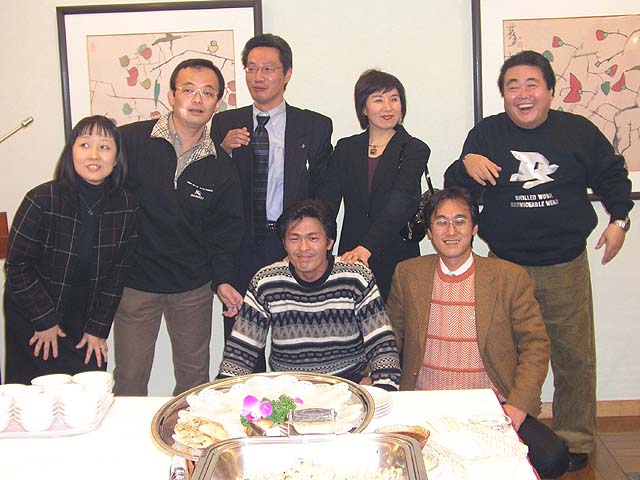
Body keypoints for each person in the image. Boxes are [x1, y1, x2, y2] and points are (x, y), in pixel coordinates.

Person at [444, 50, 633, 472]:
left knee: (573, 356)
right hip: (503, 266)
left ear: (550, 90)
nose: (523, 94)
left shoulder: (577, 132)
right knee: (501, 355)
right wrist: (465, 163)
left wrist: (619, 220)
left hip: (564, 263)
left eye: (532, 84)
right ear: (504, 95)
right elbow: (457, 193)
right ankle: (508, 429)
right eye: (513, 86)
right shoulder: (487, 134)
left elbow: (612, 175)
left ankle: (576, 438)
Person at [386, 187, 569, 478]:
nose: (451, 230)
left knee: (552, 457)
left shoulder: (509, 277)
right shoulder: (408, 273)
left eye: (460, 221)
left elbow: (535, 344)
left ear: (474, 228)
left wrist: (518, 406)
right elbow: (389, 338)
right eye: (441, 222)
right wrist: (374, 377)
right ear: (429, 232)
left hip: (491, 406)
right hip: (425, 404)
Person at [113, 59, 244, 396]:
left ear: (217, 103)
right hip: (137, 283)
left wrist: (223, 279)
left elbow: (225, 232)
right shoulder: (129, 141)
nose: (197, 99)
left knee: (194, 381)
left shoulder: (221, 166)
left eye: (207, 93)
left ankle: (190, 433)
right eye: (188, 90)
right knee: (130, 378)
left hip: (191, 288)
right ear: (171, 96)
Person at [210, 34, 333, 371]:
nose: (258, 77)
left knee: (299, 342)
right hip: (240, 248)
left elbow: (325, 192)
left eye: (268, 69)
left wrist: (311, 243)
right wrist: (222, 151)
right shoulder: (224, 124)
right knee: (241, 348)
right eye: (251, 69)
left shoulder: (314, 126)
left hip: (292, 246)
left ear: (287, 73)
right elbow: (212, 191)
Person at [4, 115, 139, 384]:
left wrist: (98, 328)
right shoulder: (42, 199)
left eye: (104, 147)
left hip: (85, 317)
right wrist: (45, 320)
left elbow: (118, 273)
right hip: (34, 313)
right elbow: (18, 267)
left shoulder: (126, 204)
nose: (94, 155)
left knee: (88, 388)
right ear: (71, 152)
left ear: (116, 159)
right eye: (84, 145)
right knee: (34, 395)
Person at [218, 199, 401, 391]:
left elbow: (382, 344)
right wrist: (223, 393)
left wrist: (383, 387)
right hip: (289, 390)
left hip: (347, 387)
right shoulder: (266, 281)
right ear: (284, 244)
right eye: (294, 239)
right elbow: (241, 351)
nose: (303, 248)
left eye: (313, 238)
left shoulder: (356, 277)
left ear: (329, 242)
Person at [318, 70, 430, 301]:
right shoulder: (346, 148)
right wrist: (316, 244)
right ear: (364, 108)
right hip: (351, 255)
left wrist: (367, 248)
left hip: (397, 254)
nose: (388, 107)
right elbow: (327, 203)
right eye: (378, 99)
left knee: (396, 321)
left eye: (394, 99)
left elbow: (401, 204)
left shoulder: (414, 149)